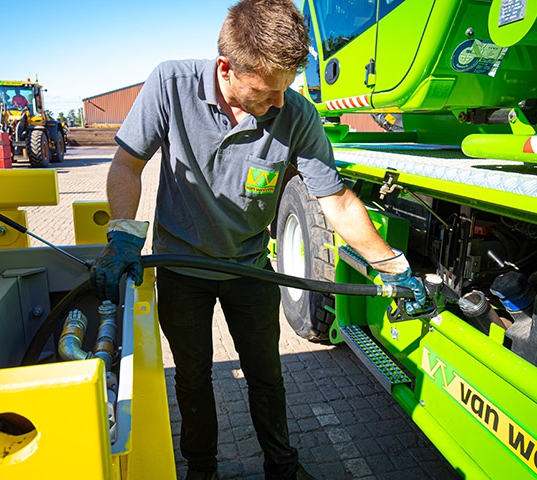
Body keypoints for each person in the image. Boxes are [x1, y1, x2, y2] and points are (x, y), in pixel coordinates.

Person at [90, 0, 427, 479]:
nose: (280, 103)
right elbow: (127, 164)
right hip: (182, 270)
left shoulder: (296, 115)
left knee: (268, 376)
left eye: (287, 88)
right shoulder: (170, 84)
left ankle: (282, 467)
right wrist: (123, 237)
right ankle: (202, 468)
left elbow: (337, 201)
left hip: (249, 269)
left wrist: (394, 266)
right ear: (226, 69)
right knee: (192, 378)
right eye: (268, 91)